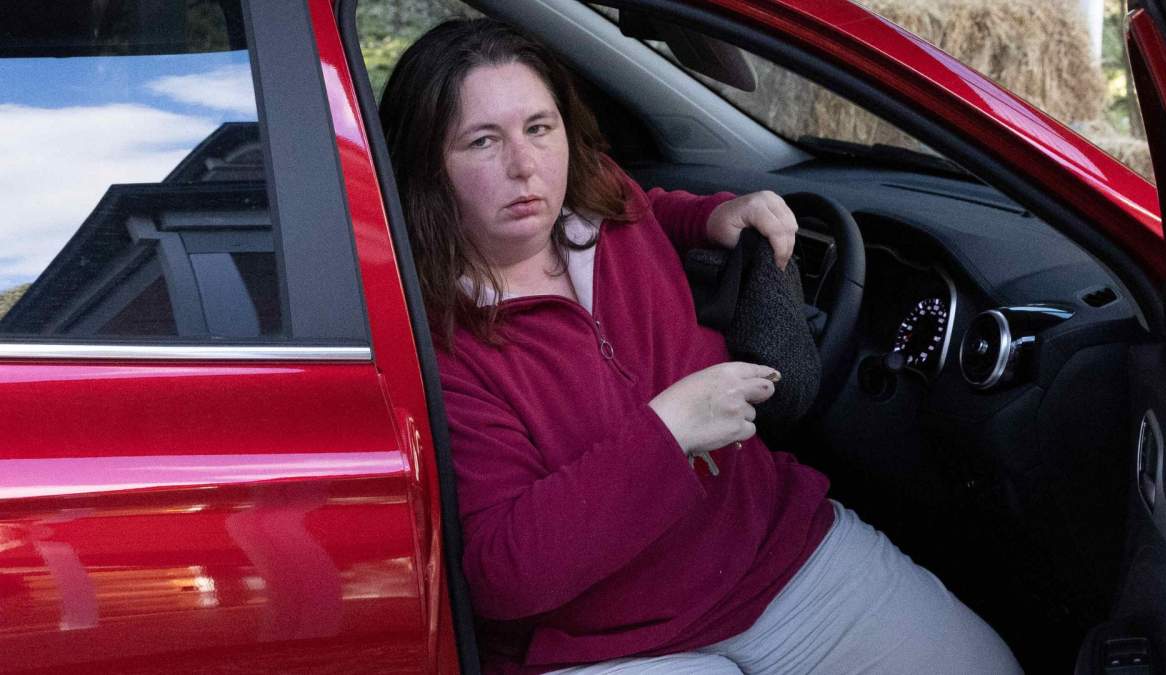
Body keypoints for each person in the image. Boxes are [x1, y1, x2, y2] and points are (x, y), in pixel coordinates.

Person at [379, 17, 1021, 675]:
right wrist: (670, 430)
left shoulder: (599, 197)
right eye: (483, 141)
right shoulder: (437, 340)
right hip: (611, 642)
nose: (524, 166)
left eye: (539, 128)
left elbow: (645, 205)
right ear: (430, 169)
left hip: (774, 553)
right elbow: (502, 573)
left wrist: (711, 216)